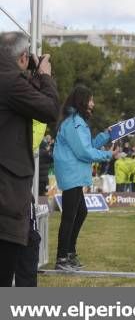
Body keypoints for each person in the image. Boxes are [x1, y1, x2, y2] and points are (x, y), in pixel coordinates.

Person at [0, 31, 60, 287]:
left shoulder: (11, 82)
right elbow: (49, 109)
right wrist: (45, 76)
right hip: (7, 192)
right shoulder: (10, 82)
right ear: (24, 57)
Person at [53, 85, 118, 271]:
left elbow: (88, 145)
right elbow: (84, 152)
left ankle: (69, 253)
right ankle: (62, 258)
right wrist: (108, 155)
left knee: (80, 213)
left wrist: (106, 135)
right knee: (69, 217)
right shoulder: (74, 123)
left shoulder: (77, 121)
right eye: (91, 99)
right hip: (71, 174)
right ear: (82, 101)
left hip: (75, 175)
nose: (93, 103)